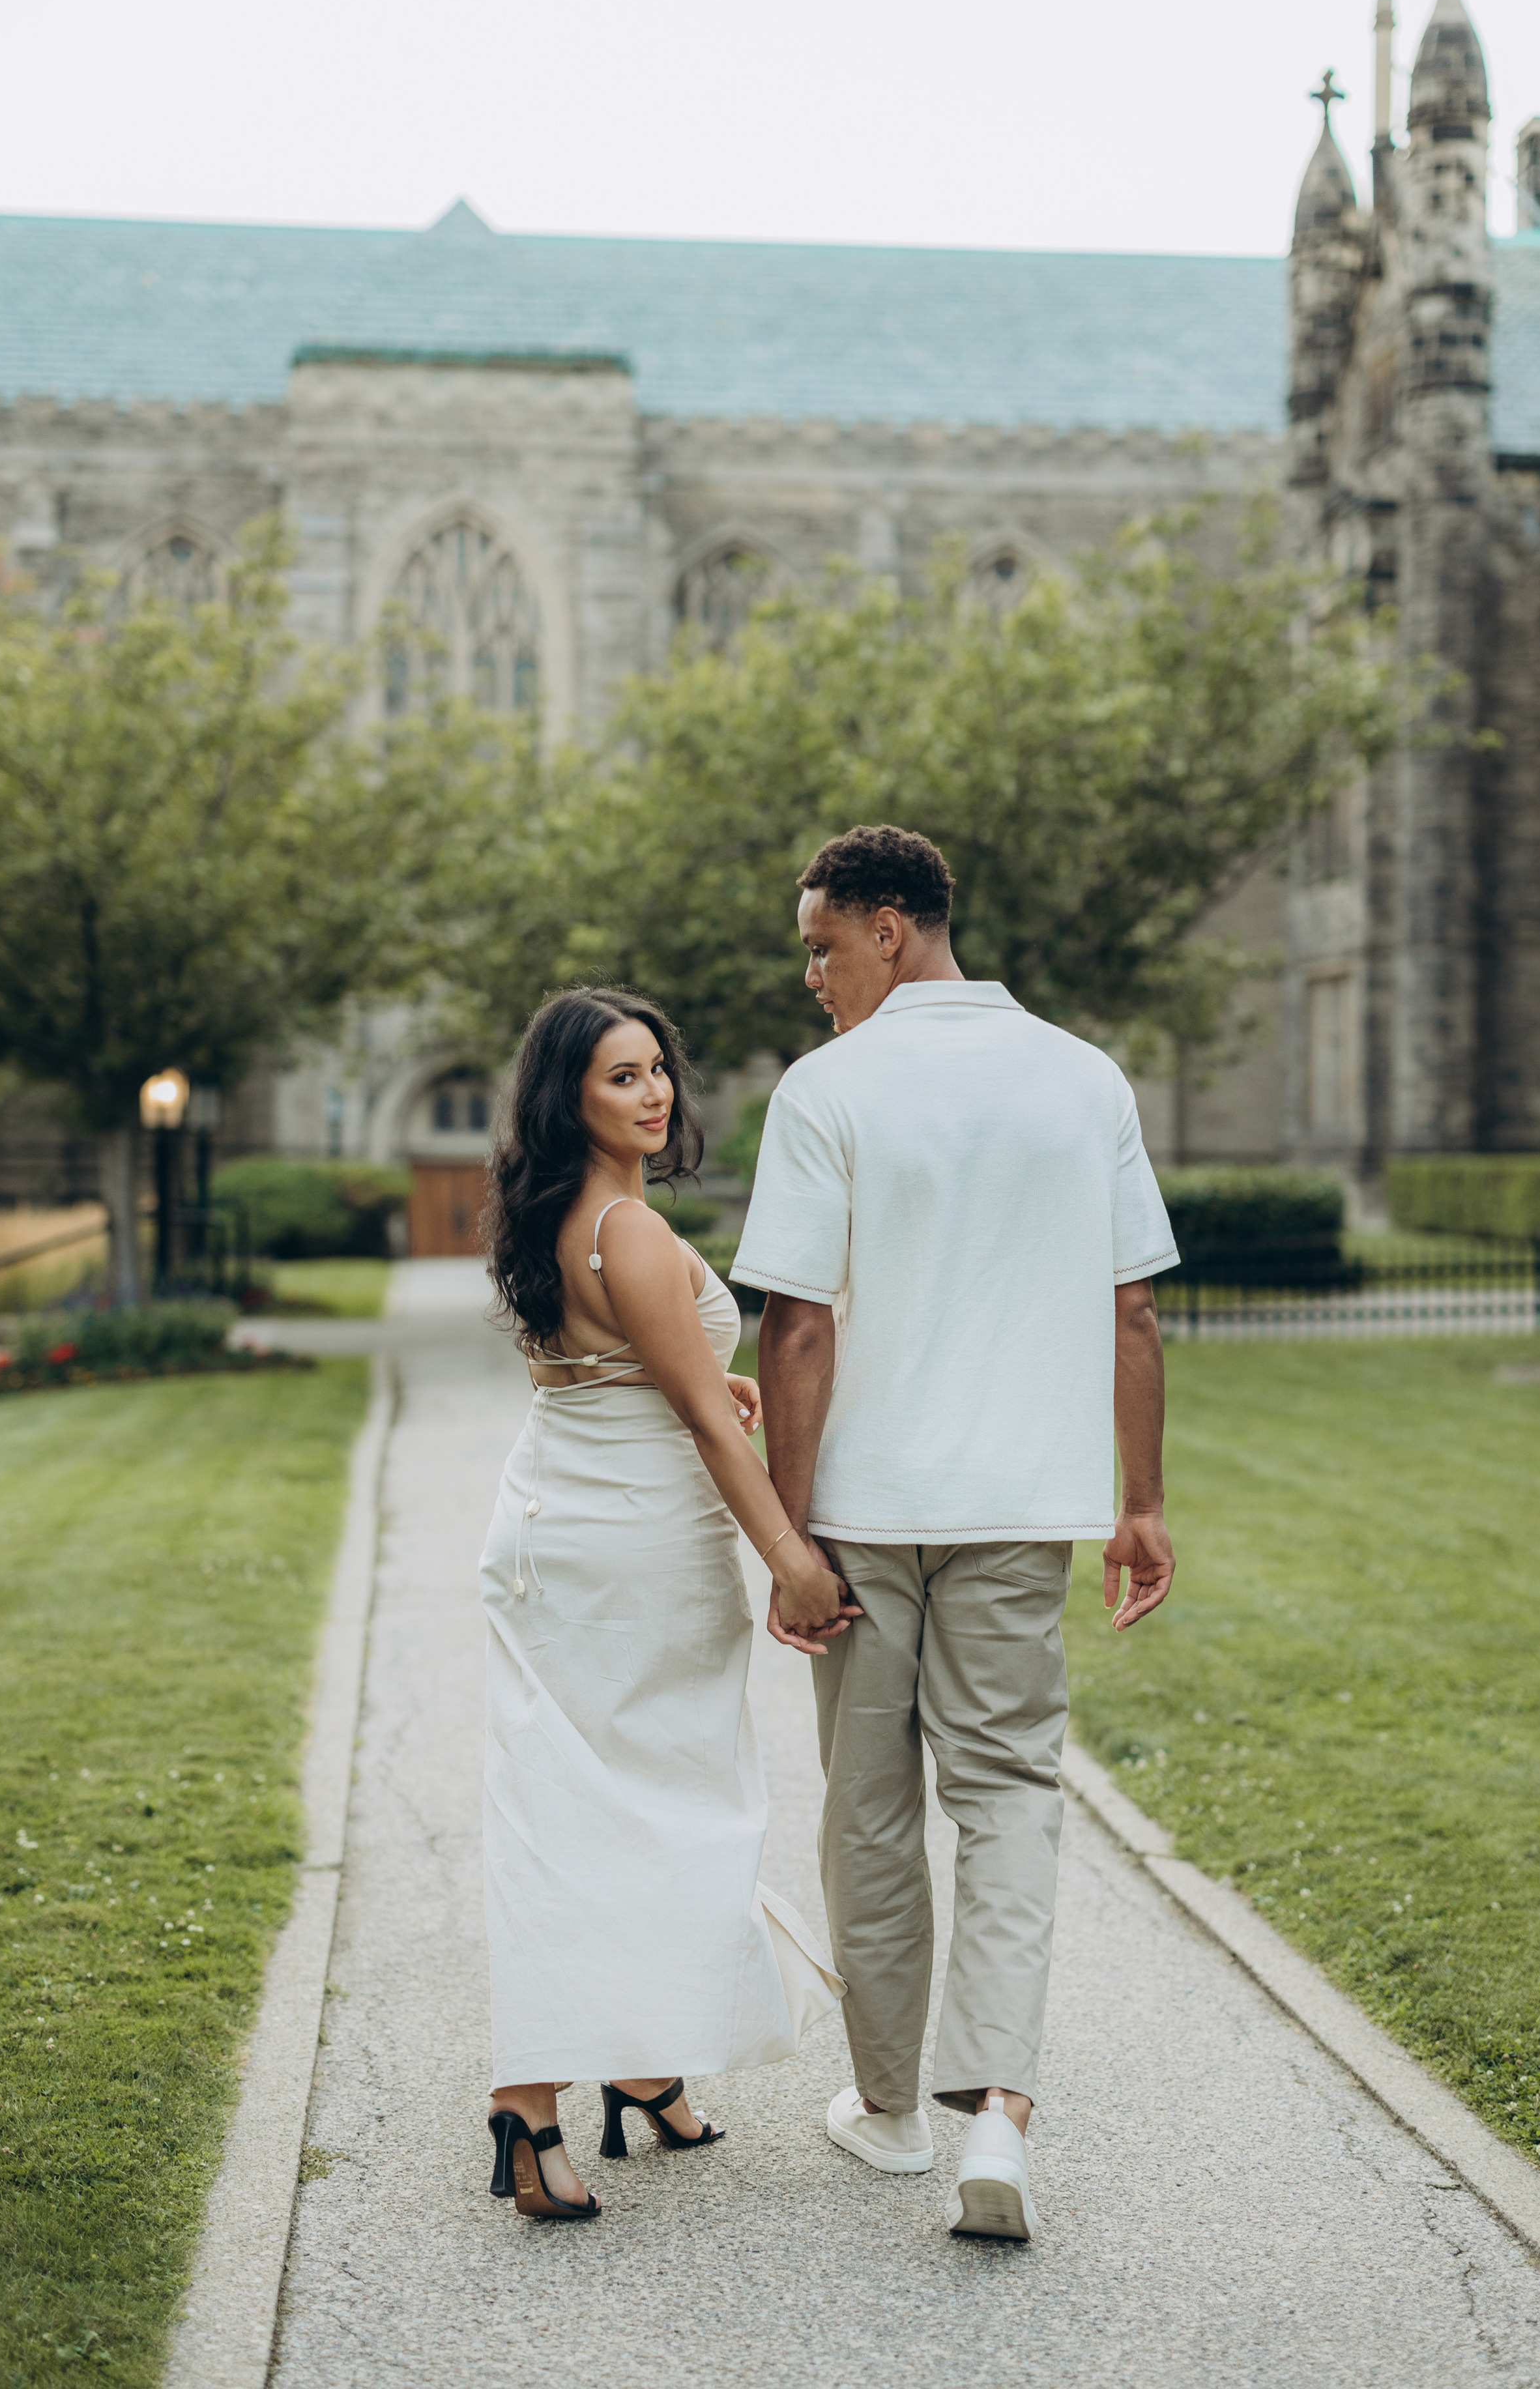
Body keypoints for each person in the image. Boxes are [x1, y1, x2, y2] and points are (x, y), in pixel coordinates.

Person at [730, 824, 1179, 2243]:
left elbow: (795, 1326)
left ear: (886, 927)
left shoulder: (828, 1090)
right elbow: (1132, 1310)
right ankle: (999, 2114)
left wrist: (791, 1536)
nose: (811, 975)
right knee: (1006, 1797)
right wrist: (1141, 1501)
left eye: (818, 943)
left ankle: (889, 2112)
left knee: (865, 1802)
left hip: (865, 1513)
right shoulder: (1081, 1077)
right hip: (1018, 1513)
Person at [477, 986, 847, 2223]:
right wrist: (790, 1552)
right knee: (663, 1812)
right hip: (632, 1558)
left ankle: (636, 2069)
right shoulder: (627, 1231)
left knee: (569, 1809)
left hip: (550, 1532)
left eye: (657, 1072)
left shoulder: (548, 1218)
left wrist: (710, 1384)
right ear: (569, 1097)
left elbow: (613, 1375)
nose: (654, 1094)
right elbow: (692, 1412)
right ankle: (529, 2106)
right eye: (622, 1078)